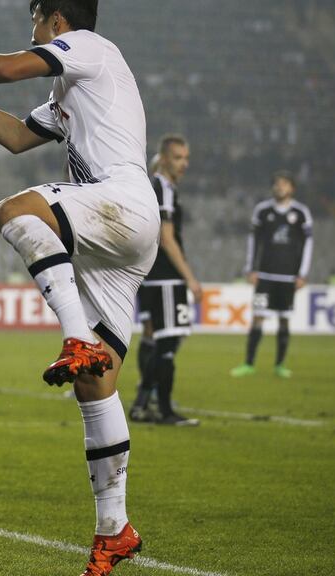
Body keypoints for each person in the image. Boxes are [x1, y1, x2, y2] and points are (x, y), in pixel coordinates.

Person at [0, 1, 158, 574]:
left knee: (21, 210)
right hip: (121, 237)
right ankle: (115, 529)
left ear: (55, 19)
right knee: (97, 385)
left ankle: (72, 336)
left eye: (34, 20)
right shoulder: (71, 95)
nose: (31, 32)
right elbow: (16, 136)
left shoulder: (90, 47)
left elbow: (14, 67)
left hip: (122, 203)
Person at [129, 135, 200, 426]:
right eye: (178, 158)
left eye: (186, 158)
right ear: (164, 158)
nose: (184, 164)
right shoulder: (164, 188)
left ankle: (142, 404)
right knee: (168, 343)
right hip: (166, 277)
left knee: (156, 339)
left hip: (149, 274)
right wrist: (191, 279)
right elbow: (168, 239)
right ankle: (165, 410)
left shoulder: (149, 185)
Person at [230, 171, 313, 378]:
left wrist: (302, 273)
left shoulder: (301, 213)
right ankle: (249, 364)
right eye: (276, 184)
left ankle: (280, 365)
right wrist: (250, 268)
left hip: (288, 277)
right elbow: (253, 241)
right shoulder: (262, 211)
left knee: (284, 320)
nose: (279, 187)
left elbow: (308, 244)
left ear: (292, 188)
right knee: (257, 318)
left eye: (284, 184)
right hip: (265, 275)